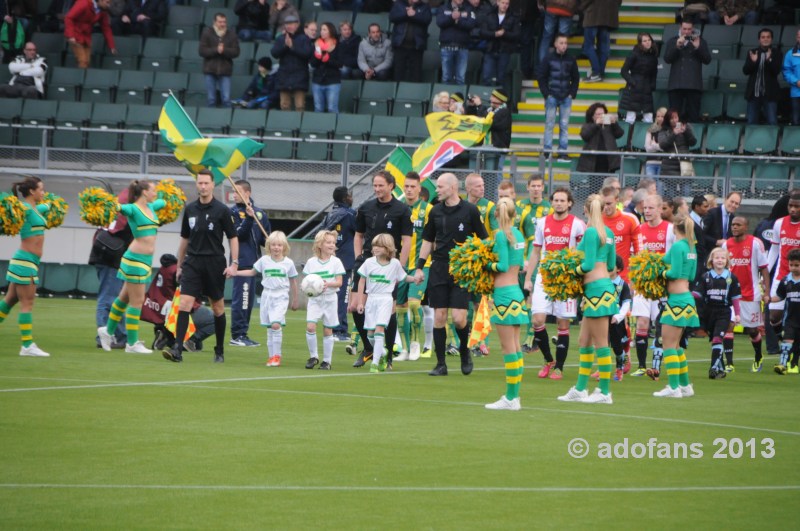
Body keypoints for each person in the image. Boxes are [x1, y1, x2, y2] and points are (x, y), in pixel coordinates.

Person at [414, 173, 489, 376]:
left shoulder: (470, 210)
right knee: (439, 316)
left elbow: (484, 238)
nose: (436, 190)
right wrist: (420, 266)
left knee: (458, 318)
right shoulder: (436, 211)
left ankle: (465, 351)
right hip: (439, 267)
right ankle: (441, 364)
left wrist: (477, 261)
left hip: (460, 270)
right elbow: (428, 240)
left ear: (453, 187)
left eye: (440, 186)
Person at [162, 170, 239, 364]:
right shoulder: (190, 209)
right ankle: (178, 349)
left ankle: (219, 350)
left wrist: (234, 264)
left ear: (213, 185)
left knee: (218, 308)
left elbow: (233, 238)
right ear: (196, 185)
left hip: (215, 263)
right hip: (193, 263)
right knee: (184, 304)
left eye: (206, 183)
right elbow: (184, 239)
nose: (203, 186)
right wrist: (180, 266)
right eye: (200, 183)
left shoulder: (222, 210)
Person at [557, 195, 619, 403]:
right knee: (584, 342)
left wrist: (569, 270)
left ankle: (604, 391)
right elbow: (611, 266)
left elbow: (588, 264)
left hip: (597, 291)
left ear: (585, 209)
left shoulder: (592, 232)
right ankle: (581, 388)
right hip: (600, 289)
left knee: (601, 343)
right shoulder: (608, 233)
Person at [349, 171, 413, 368]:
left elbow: (407, 240)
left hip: (389, 263)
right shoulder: (366, 208)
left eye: (381, 185)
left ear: (391, 186)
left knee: (390, 311)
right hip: (367, 260)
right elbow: (358, 235)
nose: (377, 189)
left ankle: (389, 357)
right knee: (355, 307)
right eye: (374, 186)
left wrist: (399, 266)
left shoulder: (401, 210)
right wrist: (359, 257)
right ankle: (369, 348)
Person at [522, 187, 585, 379]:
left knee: (562, 323)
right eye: (555, 200)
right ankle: (548, 360)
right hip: (545, 277)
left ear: (569, 203)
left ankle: (559, 367)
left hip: (566, 279)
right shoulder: (542, 223)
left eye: (562, 200)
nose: (558, 203)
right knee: (537, 320)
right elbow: (535, 252)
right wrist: (528, 278)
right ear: (552, 202)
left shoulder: (577, 224)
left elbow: (582, 253)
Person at [96, 181, 164, 354]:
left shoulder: (152, 207)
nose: (155, 193)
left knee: (123, 299)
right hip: (135, 260)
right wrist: (107, 202)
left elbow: (163, 201)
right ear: (144, 192)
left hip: (145, 260)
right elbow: (119, 208)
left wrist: (172, 194)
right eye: (153, 190)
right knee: (137, 301)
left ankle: (107, 331)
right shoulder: (133, 209)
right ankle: (132, 343)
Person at [0, 177, 54, 357]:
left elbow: (47, 206)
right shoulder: (23, 208)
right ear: (32, 191)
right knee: (27, 303)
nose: (43, 193)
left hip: (26, 262)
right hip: (25, 262)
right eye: (41, 189)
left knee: (9, 301)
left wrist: (54, 205)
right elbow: (10, 211)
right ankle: (27, 345)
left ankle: (27, 346)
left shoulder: (35, 209)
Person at [484, 197, 528, 410]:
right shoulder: (519, 234)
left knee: (507, 347)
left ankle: (511, 398)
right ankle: (514, 396)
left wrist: (484, 263)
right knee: (516, 346)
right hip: (517, 293)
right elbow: (518, 265)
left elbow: (501, 266)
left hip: (503, 295)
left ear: (496, 217)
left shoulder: (502, 235)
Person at [234, 231, 298, 367]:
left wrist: (295, 299)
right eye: (273, 245)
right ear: (269, 246)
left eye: (279, 245)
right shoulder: (264, 260)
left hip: (281, 296)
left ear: (284, 247)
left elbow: (293, 282)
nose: (276, 248)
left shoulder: (288, 263)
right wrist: (235, 272)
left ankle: (277, 356)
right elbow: (252, 272)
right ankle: (271, 356)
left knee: (276, 324)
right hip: (266, 295)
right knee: (270, 328)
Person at [356, 234, 417, 373]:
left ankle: (375, 364)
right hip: (371, 300)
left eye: (379, 246)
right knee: (370, 334)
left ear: (388, 248)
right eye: (374, 245)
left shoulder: (395, 263)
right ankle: (382, 353)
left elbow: (403, 277)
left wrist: (415, 279)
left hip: (386, 300)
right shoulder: (368, 262)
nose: (375, 248)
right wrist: (361, 302)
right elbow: (361, 281)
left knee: (379, 329)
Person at [653, 214, 699, 398]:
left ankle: (673, 388)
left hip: (677, 301)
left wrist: (659, 272)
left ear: (674, 228)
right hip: (686, 298)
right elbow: (692, 274)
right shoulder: (691, 247)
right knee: (676, 344)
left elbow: (675, 272)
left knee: (668, 345)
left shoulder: (679, 246)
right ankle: (685, 386)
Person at [631, 195, 674, 378]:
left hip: (662, 285)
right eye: (645, 208)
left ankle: (657, 364)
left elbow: (674, 257)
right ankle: (641, 366)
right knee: (642, 322)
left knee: (661, 325)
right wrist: (633, 282)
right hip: (643, 285)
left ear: (660, 209)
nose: (647, 211)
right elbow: (634, 258)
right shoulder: (639, 230)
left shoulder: (670, 229)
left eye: (651, 208)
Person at [141, 254, 216, 353]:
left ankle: (166, 335)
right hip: (177, 311)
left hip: (162, 310)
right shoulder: (181, 270)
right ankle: (189, 341)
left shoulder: (166, 267)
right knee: (216, 319)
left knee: (198, 347)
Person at [723, 216, 770, 372]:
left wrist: (767, 292)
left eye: (738, 225)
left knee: (752, 329)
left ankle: (758, 356)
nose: (734, 227)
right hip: (730, 294)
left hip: (750, 293)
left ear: (746, 227)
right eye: (733, 224)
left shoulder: (755, 243)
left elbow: (763, 267)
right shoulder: (726, 244)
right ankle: (729, 363)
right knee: (729, 326)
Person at [394, 173, 432, 362]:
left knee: (415, 303)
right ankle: (405, 348)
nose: (409, 189)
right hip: (399, 266)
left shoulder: (428, 210)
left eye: (412, 186)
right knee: (400, 306)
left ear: (419, 188)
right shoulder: (398, 209)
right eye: (406, 186)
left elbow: (433, 237)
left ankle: (416, 344)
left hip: (421, 266)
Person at [89, 188, 133, 349]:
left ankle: (120, 336)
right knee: (108, 297)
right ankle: (104, 337)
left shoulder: (119, 202)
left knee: (117, 298)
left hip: (108, 254)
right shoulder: (129, 207)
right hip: (110, 257)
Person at [229, 180, 269, 348]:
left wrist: (272, 243)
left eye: (237, 192)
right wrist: (248, 219)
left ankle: (243, 333)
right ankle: (237, 335)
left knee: (248, 301)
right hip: (241, 264)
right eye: (233, 192)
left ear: (247, 194)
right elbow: (239, 236)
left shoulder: (259, 213)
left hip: (254, 264)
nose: (234, 195)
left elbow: (266, 238)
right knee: (242, 300)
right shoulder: (231, 213)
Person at [694, 247, 741, 379]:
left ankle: (713, 367)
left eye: (722, 258)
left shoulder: (731, 278)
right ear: (711, 260)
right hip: (709, 311)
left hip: (724, 312)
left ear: (727, 261)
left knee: (717, 338)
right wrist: (684, 294)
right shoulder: (706, 276)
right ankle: (720, 370)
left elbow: (736, 298)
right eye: (717, 258)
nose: (720, 260)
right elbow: (697, 294)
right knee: (715, 341)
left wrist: (737, 314)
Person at [303, 230, 345, 371]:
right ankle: (314, 356)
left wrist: (327, 284)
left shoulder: (336, 262)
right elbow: (307, 281)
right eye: (328, 242)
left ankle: (327, 361)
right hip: (315, 300)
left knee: (328, 330)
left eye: (333, 242)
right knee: (310, 327)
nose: (332, 245)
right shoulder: (311, 262)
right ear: (320, 244)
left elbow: (339, 282)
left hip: (330, 300)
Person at [322, 186, 356, 342]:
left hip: (331, 259)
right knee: (343, 296)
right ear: (345, 198)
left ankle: (336, 327)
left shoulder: (329, 215)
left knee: (335, 296)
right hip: (345, 261)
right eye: (349, 195)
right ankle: (339, 330)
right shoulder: (350, 214)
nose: (351, 197)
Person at [537, 33, 580, 159]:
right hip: (552, 96)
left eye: (565, 43)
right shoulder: (548, 58)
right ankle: (547, 151)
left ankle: (562, 151)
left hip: (566, 96)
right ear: (555, 44)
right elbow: (541, 77)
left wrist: (572, 94)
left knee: (564, 125)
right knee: (550, 124)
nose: (564, 46)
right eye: (561, 43)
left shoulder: (571, 59)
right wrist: (547, 94)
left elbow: (576, 78)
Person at [767, 192, 800, 353]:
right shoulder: (779, 223)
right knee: (774, 315)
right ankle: (783, 338)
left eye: (796, 206)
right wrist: (765, 271)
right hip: (781, 276)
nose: (792, 209)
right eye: (790, 206)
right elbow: (774, 250)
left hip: (799, 279)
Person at [663, 20, 711, 124]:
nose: (686, 32)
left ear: (693, 29)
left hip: (693, 84)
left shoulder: (700, 41)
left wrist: (698, 47)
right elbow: (667, 59)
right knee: (674, 118)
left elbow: (707, 60)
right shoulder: (673, 41)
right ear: (680, 27)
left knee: (693, 117)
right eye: (684, 29)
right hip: (676, 84)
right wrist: (677, 46)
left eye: (689, 29)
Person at [271, 14, 313, 111]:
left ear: (297, 24)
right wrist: (285, 46)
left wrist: (292, 47)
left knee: (300, 105)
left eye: (291, 23)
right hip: (284, 76)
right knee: (284, 104)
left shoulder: (304, 38)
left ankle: (299, 125)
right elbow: (274, 53)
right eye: (287, 24)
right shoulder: (281, 38)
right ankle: (285, 125)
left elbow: (307, 54)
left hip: (300, 75)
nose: (289, 26)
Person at [199, 13, 241, 108]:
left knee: (226, 99)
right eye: (220, 22)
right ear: (214, 22)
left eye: (224, 22)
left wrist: (224, 50)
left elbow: (236, 52)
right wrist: (216, 50)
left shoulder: (231, 34)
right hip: (210, 69)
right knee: (211, 99)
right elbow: (202, 51)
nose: (222, 24)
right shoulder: (207, 33)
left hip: (225, 70)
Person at [601, 185, 640, 282]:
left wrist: (636, 276)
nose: (605, 207)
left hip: (623, 278)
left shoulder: (630, 219)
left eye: (609, 203)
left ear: (617, 200)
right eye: (603, 204)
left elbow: (639, 249)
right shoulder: (595, 220)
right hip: (601, 278)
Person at [743, 27, 781, 125]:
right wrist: (753, 62)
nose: (765, 39)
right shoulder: (752, 52)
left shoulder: (777, 53)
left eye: (768, 37)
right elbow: (745, 71)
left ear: (771, 39)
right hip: (754, 94)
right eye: (763, 37)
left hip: (770, 94)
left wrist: (769, 60)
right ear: (759, 39)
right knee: (751, 122)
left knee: (772, 122)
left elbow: (776, 71)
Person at [771, 248, 800, 374]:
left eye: (797, 265)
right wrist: (768, 299)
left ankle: (794, 364)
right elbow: (780, 296)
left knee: (797, 344)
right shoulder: (785, 280)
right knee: (787, 340)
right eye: (791, 265)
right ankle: (782, 364)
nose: (793, 268)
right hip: (790, 319)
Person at [479, 0, 520, 91]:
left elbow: (516, 34)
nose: (505, 5)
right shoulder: (489, 14)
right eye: (503, 3)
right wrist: (494, 34)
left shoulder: (513, 17)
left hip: (504, 50)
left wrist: (505, 33)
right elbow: (482, 32)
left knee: (501, 78)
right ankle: (486, 100)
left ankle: (500, 101)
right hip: (490, 49)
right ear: (497, 3)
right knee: (487, 77)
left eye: (507, 3)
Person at [656, 108, 696, 198]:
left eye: (676, 117)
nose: (674, 120)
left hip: (684, 165)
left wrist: (686, 132)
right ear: (668, 120)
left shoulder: (686, 127)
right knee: (671, 196)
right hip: (670, 167)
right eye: (672, 118)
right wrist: (673, 134)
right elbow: (662, 145)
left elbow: (693, 142)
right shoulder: (664, 130)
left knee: (686, 194)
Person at [64, 0, 116, 69]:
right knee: (83, 60)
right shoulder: (84, 3)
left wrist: (111, 46)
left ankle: (82, 77)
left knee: (87, 61)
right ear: (100, 1)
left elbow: (106, 28)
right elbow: (69, 18)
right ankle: (81, 78)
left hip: (86, 37)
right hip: (75, 33)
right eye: (107, 2)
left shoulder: (102, 11)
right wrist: (71, 35)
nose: (109, 5)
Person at [620, 32, 658, 124]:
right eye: (645, 41)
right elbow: (624, 71)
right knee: (630, 117)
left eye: (649, 40)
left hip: (646, 89)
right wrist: (633, 82)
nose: (648, 42)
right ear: (640, 43)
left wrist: (652, 85)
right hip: (634, 89)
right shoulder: (633, 54)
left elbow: (654, 73)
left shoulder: (653, 56)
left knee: (648, 117)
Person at [389, 0, 431, 83]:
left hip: (416, 46)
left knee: (416, 74)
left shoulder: (424, 6)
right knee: (398, 73)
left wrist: (414, 15)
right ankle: (398, 94)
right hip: (400, 45)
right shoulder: (399, 4)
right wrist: (406, 14)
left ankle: (415, 94)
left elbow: (427, 19)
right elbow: (392, 17)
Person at [576, 102, 624, 175]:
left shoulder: (609, 126)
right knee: (595, 183)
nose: (601, 116)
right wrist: (596, 124)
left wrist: (614, 123)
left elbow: (619, 134)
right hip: (593, 161)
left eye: (603, 114)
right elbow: (585, 135)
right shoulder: (588, 125)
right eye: (598, 114)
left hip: (608, 161)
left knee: (608, 183)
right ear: (592, 116)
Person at [437, 0, 476, 85]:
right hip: (446, 47)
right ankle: (446, 98)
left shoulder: (469, 8)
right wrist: (451, 17)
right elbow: (439, 22)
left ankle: (459, 98)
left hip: (463, 47)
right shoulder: (443, 7)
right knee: (446, 78)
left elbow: (471, 24)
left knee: (460, 78)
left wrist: (458, 21)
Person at [581, 0, 620, 83]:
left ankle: (596, 73)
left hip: (592, 14)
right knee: (604, 47)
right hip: (608, 16)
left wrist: (580, 7)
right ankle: (600, 73)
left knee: (588, 47)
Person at [608, 256, 632, 381]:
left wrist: (618, 317)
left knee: (617, 347)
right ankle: (604, 371)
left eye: (611, 265)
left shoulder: (623, 285)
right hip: (602, 318)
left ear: (618, 269)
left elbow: (626, 303)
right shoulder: (602, 282)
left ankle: (619, 367)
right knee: (602, 345)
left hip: (616, 321)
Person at [311, 21, 343, 113]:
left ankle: (334, 127)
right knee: (318, 108)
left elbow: (340, 64)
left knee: (332, 108)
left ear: (330, 31)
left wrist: (328, 60)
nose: (322, 32)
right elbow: (312, 63)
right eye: (321, 30)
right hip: (317, 80)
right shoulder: (316, 44)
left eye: (324, 30)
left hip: (332, 81)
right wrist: (317, 58)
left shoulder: (338, 45)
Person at [537, 0, 574, 65]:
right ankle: (561, 67)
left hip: (551, 6)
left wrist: (541, 2)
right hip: (567, 8)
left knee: (546, 38)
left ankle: (542, 67)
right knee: (563, 39)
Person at [644, 107, 667, 180]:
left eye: (662, 116)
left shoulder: (669, 130)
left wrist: (654, 145)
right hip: (650, 162)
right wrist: (659, 147)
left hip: (663, 163)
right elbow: (647, 148)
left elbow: (666, 148)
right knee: (650, 186)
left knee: (660, 187)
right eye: (658, 116)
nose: (660, 118)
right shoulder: (650, 130)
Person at [784, 29, 800, 126]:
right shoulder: (790, 54)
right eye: (799, 36)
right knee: (796, 121)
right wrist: (796, 81)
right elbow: (786, 71)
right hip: (796, 94)